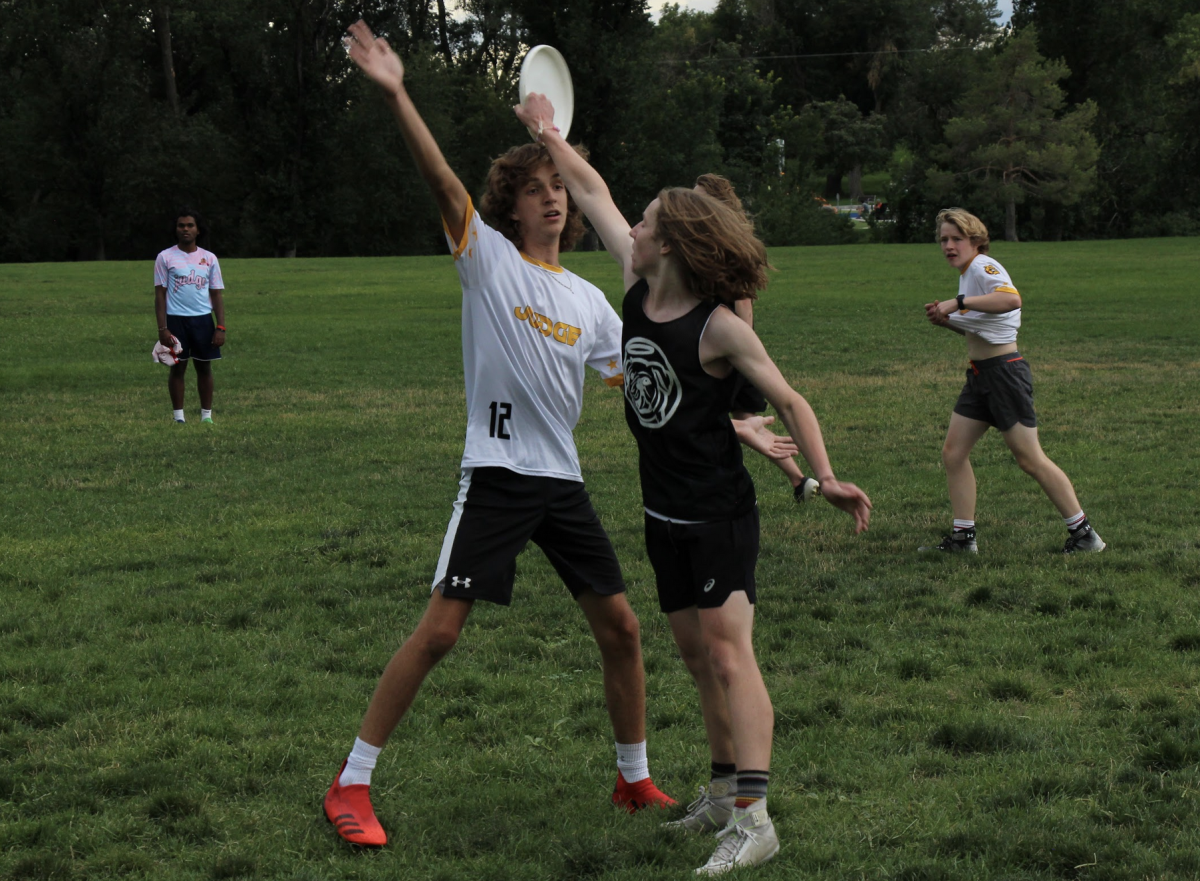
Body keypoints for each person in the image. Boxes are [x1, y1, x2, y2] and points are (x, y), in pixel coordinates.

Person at [322, 21, 678, 849]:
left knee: (622, 628)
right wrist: (397, 92)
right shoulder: (485, 258)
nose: (552, 196)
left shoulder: (591, 302)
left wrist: (736, 420)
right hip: (496, 473)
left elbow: (645, 389)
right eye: (534, 186)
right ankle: (351, 781)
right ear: (508, 203)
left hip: (561, 482)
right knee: (442, 629)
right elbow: (442, 180)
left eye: (559, 184)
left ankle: (633, 779)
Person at [516, 94, 871, 875]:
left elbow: (791, 399)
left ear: (669, 242)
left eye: (643, 224)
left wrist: (825, 476)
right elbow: (593, 192)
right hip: (661, 511)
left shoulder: (720, 327)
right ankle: (719, 789)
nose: (629, 229)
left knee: (730, 652)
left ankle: (755, 815)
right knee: (694, 653)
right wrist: (547, 134)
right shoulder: (638, 285)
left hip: (717, 517)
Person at [920, 207, 1104, 554]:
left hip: (1004, 375)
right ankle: (963, 539)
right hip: (981, 376)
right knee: (953, 453)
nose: (948, 245)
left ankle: (1084, 535)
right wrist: (949, 321)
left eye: (956, 238)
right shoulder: (967, 272)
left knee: (1030, 459)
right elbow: (984, 329)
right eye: (943, 239)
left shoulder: (982, 266)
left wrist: (957, 303)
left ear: (975, 241)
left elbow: (1010, 299)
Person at [693, 174, 821, 504]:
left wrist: (742, 351)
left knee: (712, 422)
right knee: (747, 421)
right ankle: (799, 481)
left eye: (699, 198)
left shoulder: (727, 246)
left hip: (729, 353)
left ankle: (800, 479)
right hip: (724, 349)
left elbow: (743, 304)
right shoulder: (703, 242)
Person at [154, 208, 225, 423]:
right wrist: (162, 329)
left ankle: (206, 417)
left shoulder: (209, 258)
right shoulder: (165, 257)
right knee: (177, 368)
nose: (185, 229)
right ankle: (179, 418)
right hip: (175, 320)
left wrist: (220, 326)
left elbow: (216, 294)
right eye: (181, 225)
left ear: (198, 230)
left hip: (203, 320)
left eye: (190, 225)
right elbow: (159, 296)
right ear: (176, 229)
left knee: (204, 367)